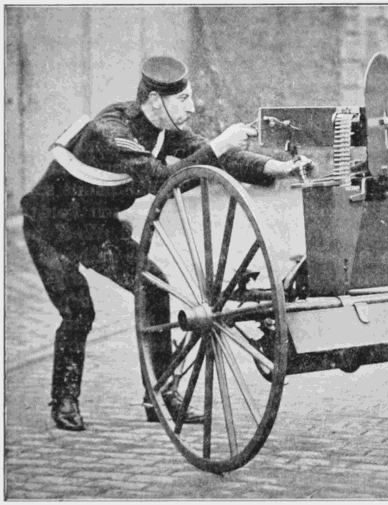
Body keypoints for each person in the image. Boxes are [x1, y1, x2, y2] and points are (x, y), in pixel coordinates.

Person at [20, 55, 313, 431]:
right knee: (79, 311)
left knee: (153, 286)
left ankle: (160, 396)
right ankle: (64, 400)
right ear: (156, 101)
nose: (191, 107)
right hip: (52, 226)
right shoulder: (109, 131)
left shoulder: (161, 130)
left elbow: (215, 157)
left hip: (96, 228)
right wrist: (220, 144)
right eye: (183, 100)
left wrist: (276, 168)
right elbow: (161, 180)